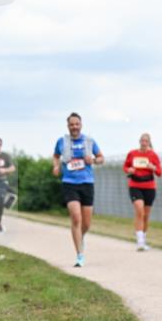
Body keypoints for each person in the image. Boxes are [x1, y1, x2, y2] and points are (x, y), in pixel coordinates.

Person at [52, 112, 103, 267]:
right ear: (68, 126)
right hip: (69, 183)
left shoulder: (89, 141)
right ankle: (80, 255)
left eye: (77, 124)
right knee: (76, 217)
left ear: (81, 125)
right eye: (71, 124)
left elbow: (101, 158)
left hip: (87, 183)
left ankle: (80, 237)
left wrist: (93, 160)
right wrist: (56, 166)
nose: (74, 127)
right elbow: (56, 156)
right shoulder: (62, 141)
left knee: (86, 223)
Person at [123, 133, 162, 251]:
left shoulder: (153, 155)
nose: (144, 143)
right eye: (142, 140)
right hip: (135, 185)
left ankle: (143, 239)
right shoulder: (132, 154)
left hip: (149, 186)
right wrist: (129, 170)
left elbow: (159, 173)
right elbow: (125, 167)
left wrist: (153, 168)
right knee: (139, 210)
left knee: (146, 215)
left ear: (149, 142)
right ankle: (139, 241)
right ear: (139, 141)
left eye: (146, 141)